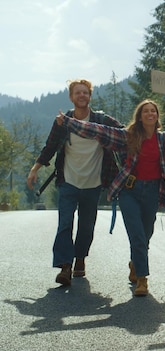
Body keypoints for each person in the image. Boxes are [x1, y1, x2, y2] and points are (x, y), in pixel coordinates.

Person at [56, 91, 165, 296]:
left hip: (153, 191)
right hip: (129, 191)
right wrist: (69, 122)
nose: (150, 114)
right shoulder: (128, 137)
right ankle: (142, 281)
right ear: (140, 116)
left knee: (145, 236)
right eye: (145, 111)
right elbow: (98, 130)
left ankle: (136, 264)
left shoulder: (164, 140)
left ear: (157, 116)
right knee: (136, 235)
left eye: (153, 111)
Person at [27, 79, 123, 286]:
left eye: (85, 93)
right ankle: (65, 266)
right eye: (77, 93)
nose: (82, 96)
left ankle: (80, 258)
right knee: (65, 224)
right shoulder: (63, 122)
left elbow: (124, 135)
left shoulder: (101, 120)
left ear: (90, 96)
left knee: (87, 226)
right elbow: (50, 146)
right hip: (68, 180)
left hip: (93, 182)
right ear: (71, 97)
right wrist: (35, 169)